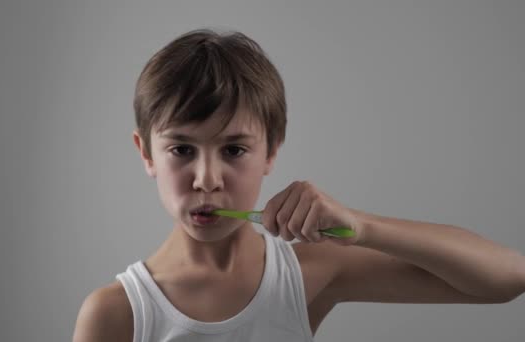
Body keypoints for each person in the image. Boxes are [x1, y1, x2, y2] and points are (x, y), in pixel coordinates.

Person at [72, 28, 525, 341]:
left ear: (271, 151)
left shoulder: (304, 274)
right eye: (182, 150)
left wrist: (361, 227)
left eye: (234, 150)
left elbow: (508, 277)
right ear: (146, 152)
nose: (206, 179)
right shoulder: (116, 313)